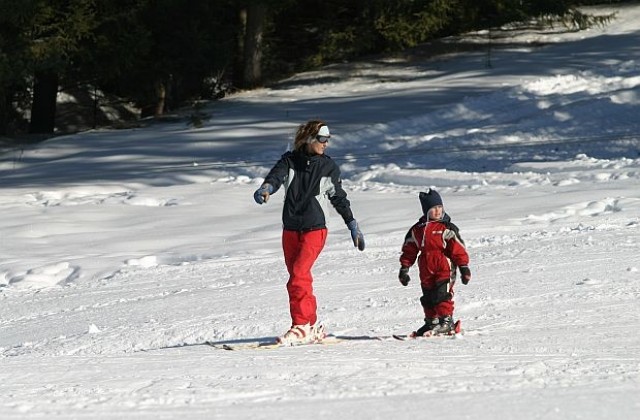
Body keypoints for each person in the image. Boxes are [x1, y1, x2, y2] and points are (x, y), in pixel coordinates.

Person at [253, 119, 365, 345]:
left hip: (316, 228)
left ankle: (301, 325)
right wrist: (266, 189)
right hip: (291, 229)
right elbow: (275, 177)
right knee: (296, 279)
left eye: (328, 139)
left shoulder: (328, 167)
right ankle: (311, 326)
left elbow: (339, 197)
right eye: (323, 139)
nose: (326, 143)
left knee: (299, 274)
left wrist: (352, 223)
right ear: (310, 139)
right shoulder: (289, 161)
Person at [398, 188, 471, 336]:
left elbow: (458, 249)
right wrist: (404, 268)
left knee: (442, 295)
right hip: (425, 267)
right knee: (428, 296)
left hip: (444, 266)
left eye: (440, 208)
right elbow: (409, 250)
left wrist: (464, 267)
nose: (437, 211)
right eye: (433, 208)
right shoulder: (417, 229)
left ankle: (447, 321)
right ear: (426, 211)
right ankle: (432, 322)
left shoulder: (446, 228)